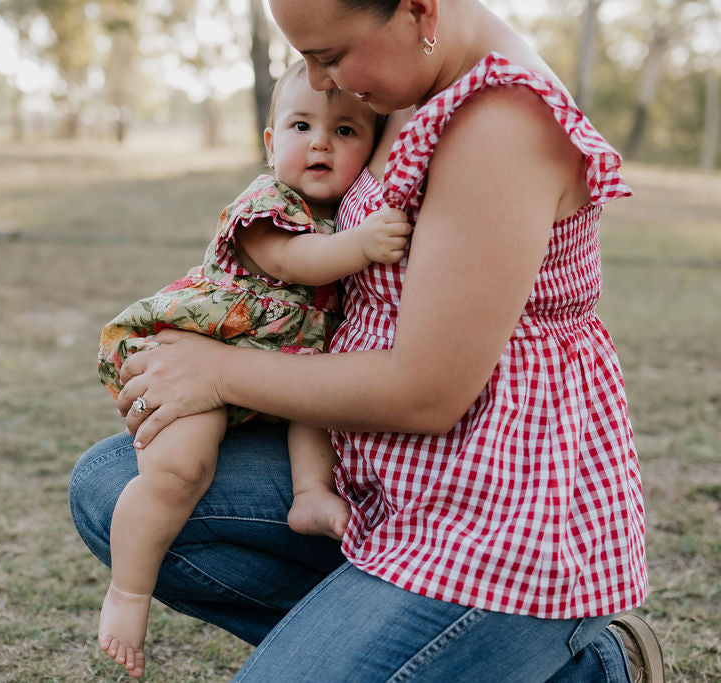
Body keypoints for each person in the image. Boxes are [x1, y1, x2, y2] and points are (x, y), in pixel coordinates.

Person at [71, 0, 665, 680]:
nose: (320, 81)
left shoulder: (501, 125)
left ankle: (579, 665)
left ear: (418, 9)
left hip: (490, 524)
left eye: (330, 56)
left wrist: (218, 371)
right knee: (112, 485)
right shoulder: (405, 79)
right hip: (375, 476)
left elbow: (427, 392)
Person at [94, 60, 414, 678]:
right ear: (272, 145)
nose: (321, 141)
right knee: (180, 469)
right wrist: (363, 246)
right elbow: (296, 262)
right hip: (199, 354)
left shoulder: (347, 213)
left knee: (318, 406)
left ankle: (308, 496)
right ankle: (127, 594)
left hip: (286, 373)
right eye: (301, 126)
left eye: (347, 131)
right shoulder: (268, 205)